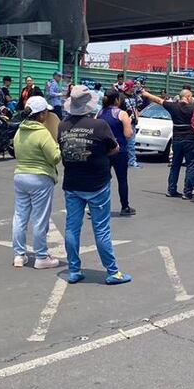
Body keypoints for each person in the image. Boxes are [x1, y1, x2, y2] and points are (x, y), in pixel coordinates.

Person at [58, 86, 132, 285]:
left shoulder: (63, 126)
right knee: (101, 229)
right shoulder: (99, 126)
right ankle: (112, 271)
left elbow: (63, 148)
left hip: (72, 182)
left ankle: (74, 269)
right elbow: (114, 148)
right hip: (97, 183)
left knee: (72, 228)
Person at [11, 96, 62, 268]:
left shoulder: (20, 131)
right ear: (41, 115)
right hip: (40, 178)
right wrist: (59, 147)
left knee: (20, 216)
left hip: (20, 176)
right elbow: (54, 157)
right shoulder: (41, 133)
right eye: (46, 112)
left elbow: (17, 153)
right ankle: (41, 257)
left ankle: (19, 255)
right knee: (40, 219)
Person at [142, 88, 194, 199]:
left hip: (177, 139)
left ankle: (171, 189)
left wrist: (147, 94)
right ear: (187, 97)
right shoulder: (193, 108)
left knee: (175, 165)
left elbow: (158, 100)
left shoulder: (173, 106)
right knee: (191, 165)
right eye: (191, 96)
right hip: (190, 140)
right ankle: (187, 192)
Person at [97, 90, 136, 216]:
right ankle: (125, 207)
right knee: (122, 180)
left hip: (104, 151)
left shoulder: (100, 113)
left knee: (103, 180)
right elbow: (128, 134)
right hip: (120, 151)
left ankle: (99, 207)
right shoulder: (122, 114)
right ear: (117, 100)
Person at [121, 81, 143, 168]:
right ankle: (127, 160)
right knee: (125, 142)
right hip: (124, 122)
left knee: (131, 142)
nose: (133, 88)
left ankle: (131, 160)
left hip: (133, 122)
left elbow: (136, 108)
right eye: (132, 87)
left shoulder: (134, 96)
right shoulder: (121, 97)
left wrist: (137, 117)